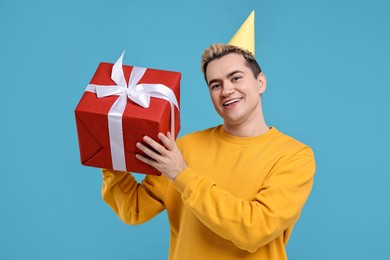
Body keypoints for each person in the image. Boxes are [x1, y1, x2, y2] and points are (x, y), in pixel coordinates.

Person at [102, 44, 316, 259]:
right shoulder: (184, 148)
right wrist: (108, 148)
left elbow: (255, 230)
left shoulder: (295, 156)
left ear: (260, 82)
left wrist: (182, 176)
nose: (226, 90)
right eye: (216, 85)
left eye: (236, 78)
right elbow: (135, 208)